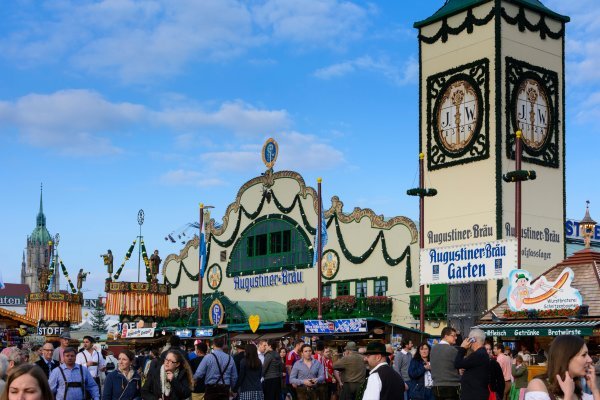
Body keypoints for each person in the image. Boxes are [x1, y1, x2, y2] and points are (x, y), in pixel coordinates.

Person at [526, 335, 600, 400]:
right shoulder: (538, 385)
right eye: (584, 355)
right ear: (566, 358)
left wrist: (594, 390)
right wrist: (568, 395)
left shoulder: (577, 390)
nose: (590, 360)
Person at [454, 329, 493, 400]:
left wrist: (462, 348)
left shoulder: (478, 354)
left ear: (473, 339)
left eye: (469, 338)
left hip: (474, 395)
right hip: (477, 394)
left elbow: (457, 363)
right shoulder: (482, 353)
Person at [430, 327, 460, 400]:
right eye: (453, 335)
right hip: (451, 386)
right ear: (446, 336)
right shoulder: (453, 350)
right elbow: (460, 364)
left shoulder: (433, 349)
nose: (455, 338)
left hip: (436, 386)